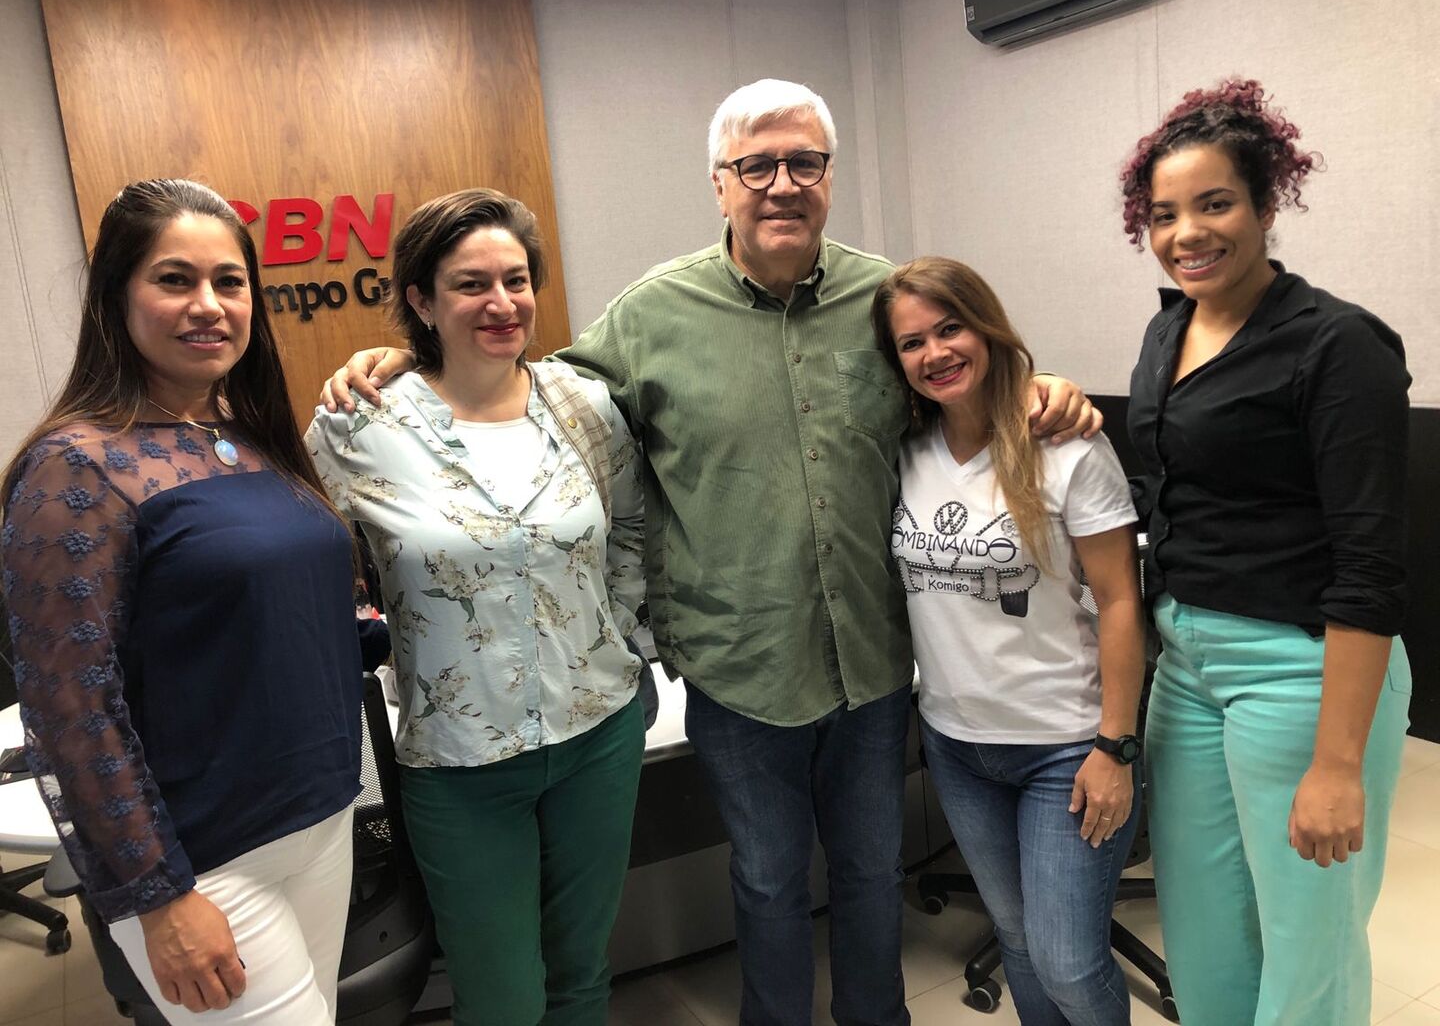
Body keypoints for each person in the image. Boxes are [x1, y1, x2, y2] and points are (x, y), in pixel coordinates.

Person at [321, 79, 1100, 1026]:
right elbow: (522, 386)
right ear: (719, 185)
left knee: (868, 871)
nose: (782, 184)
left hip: (875, 659)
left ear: (828, 175)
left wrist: (1040, 382)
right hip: (740, 668)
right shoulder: (651, 315)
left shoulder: (879, 296)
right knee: (770, 883)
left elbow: (961, 371)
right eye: (755, 166)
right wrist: (405, 357)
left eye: (803, 163)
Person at [0, 179, 366, 1024]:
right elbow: (68, 712)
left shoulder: (244, 436)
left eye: (230, 282)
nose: (209, 305)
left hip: (318, 820)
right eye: (175, 279)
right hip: (202, 860)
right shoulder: (77, 465)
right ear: (117, 296)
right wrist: (157, 897)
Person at [305, 187, 647, 1026]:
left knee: (583, 974)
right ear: (420, 301)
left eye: (516, 279)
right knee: (502, 998)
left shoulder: (582, 405)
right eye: (470, 284)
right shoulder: (360, 425)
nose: (502, 304)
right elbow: (304, 571)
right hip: (460, 760)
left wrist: (627, 634)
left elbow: (632, 526)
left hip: (599, 730)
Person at [1119, 79, 1411, 1026]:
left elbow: (1371, 562)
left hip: (1301, 667)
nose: (1187, 234)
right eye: (1164, 215)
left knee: (1306, 940)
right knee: (1204, 931)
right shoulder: (1170, 327)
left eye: (1215, 204)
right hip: (1188, 664)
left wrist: (1338, 762)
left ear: (1267, 204)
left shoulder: (1337, 345)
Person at [874, 257, 1144, 1026]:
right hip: (959, 746)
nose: (935, 353)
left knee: (1067, 958)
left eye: (950, 328)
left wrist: (1115, 748)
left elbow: (1122, 603)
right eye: (912, 342)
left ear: (987, 329)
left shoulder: (1066, 448)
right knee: (1019, 941)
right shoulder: (906, 452)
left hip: (1066, 745)